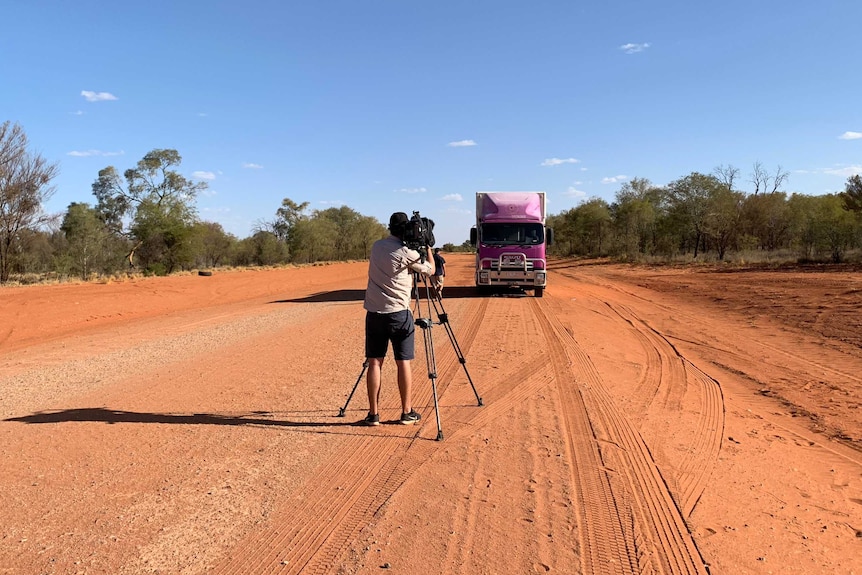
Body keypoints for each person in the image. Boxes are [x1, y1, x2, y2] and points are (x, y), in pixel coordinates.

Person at [362, 212, 435, 426]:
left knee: (375, 361)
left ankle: (373, 414)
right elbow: (429, 270)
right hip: (399, 315)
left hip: (374, 313)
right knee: (403, 362)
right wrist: (428, 246)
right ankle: (406, 412)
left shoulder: (376, 247)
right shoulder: (407, 253)